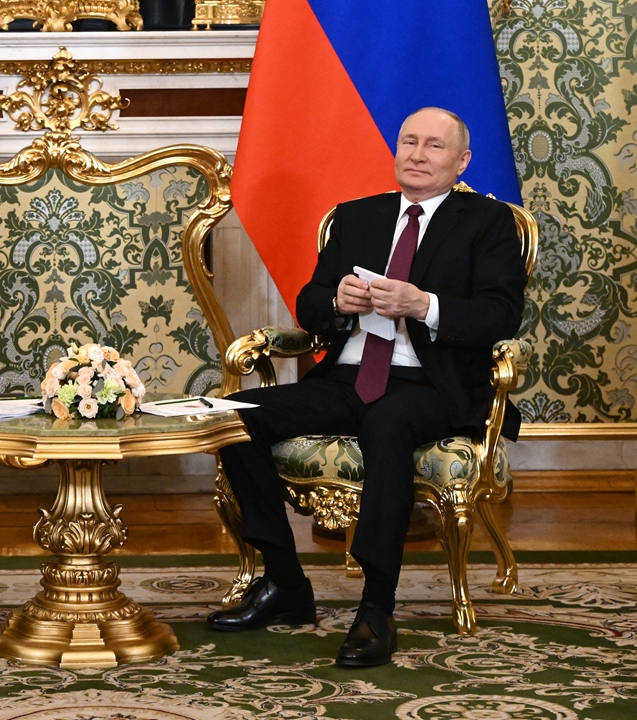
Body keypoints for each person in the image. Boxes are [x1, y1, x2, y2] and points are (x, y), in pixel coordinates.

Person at [208, 107, 526, 667]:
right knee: (233, 414)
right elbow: (309, 305)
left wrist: (422, 305)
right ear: (395, 150)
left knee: (388, 420)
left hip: (431, 384)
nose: (419, 154)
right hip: (349, 376)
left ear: (461, 161)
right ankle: (285, 582)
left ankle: (376, 607)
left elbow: (500, 317)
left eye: (434, 145)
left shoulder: (488, 222)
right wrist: (336, 304)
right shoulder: (357, 218)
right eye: (409, 142)